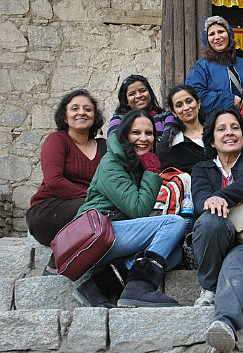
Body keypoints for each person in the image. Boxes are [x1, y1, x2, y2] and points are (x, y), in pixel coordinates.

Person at [73, 110, 185, 308]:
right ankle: (139, 287)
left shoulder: (136, 163)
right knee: (174, 223)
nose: (144, 138)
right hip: (96, 236)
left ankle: (96, 287)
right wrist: (151, 172)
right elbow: (138, 210)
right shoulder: (112, 162)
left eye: (149, 133)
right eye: (136, 133)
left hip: (117, 237)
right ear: (124, 135)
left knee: (173, 253)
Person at [189, 109, 243, 353]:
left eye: (235, 128)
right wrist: (211, 201)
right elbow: (200, 199)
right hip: (215, 237)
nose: (229, 133)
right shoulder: (202, 168)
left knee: (235, 262)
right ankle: (209, 288)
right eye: (221, 129)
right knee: (210, 220)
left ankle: (224, 324)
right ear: (211, 140)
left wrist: (220, 197)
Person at [26, 89, 106, 276]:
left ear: (95, 116)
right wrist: (94, 198)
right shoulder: (57, 140)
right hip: (48, 211)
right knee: (95, 210)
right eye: (75, 108)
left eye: (88, 109)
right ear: (65, 116)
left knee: (103, 213)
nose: (81, 113)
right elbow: (54, 182)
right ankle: (56, 264)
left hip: (92, 209)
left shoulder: (104, 146)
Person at [186, 16, 243, 115]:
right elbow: (193, 95)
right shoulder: (201, 66)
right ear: (207, 40)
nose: (217, 37)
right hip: (215, 121)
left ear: (229, 34)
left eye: (221, 32)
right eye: (212, 34)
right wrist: (230, 101)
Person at [157, 85, 211, 173]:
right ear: (174, 112)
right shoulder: (172, 143)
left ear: (198, 103)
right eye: (179, 105)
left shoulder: (216, 131)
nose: (186, 108)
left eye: (189, 101)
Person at [107, 74, 174, 139]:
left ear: (150, 93)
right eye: (132, 94)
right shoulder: (118, 119)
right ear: (126, 100)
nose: (138, 96)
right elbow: (113, 140)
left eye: (143, 91)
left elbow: (168, 139)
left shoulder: (165, 117)